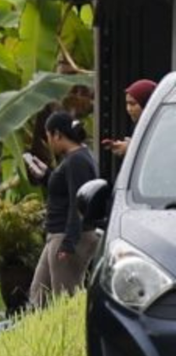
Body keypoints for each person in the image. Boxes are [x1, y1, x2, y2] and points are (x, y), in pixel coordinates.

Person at [26, 111, 101, 308]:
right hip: (58, 235)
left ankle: (69, 337)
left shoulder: (77, 161)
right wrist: (46, 176)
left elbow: (79, 203)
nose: (48, 141)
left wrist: (69, 243)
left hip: (67, 236)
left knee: (65, 300)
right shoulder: (75, 158)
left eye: (49, 136)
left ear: (57, 134)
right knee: (39, 294)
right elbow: (66, 192)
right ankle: (38, 336)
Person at [104, 78, 157, 157]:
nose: (128, 109)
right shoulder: (143, 126)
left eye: (133, 104)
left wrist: (131, 149)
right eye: (127, 104)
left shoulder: (160, 127)